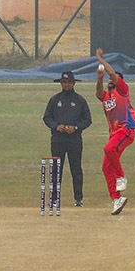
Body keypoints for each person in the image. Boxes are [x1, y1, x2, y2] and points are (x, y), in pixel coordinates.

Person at [95, 48, 135, 216]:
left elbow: (112, 73)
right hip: (115, 135)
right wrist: (99, 79)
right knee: (106, 167)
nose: (110, 80)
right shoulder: (107, 95)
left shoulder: (123, 89)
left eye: (112, 78)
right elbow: (99, 93)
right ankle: (116, 199)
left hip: (126, 130)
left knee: (108, 149)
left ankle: (121, 176)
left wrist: (100, 59)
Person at [43, 70, 92, 207]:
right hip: (58, 140)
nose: (66, 85)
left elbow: (87, 120)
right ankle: (53, 199)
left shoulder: (80, 100)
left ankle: (78, 199)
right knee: (56, 169)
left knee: (76, 169)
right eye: (64, 82)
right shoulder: (55, 100)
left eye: (69, 82)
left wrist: (75, 128)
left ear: (73, 83)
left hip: (74, 140)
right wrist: (56, 126)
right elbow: (47, 117)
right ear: (61, 83)